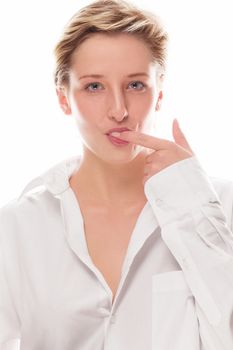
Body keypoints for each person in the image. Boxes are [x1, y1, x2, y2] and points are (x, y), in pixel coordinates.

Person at [1, 0, 233, 349]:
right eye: (94, 86)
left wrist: (192, 211)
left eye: (136, 85)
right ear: (64, 98)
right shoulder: (19, 227)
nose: (119, 110)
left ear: (160, 93)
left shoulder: (218, 207)